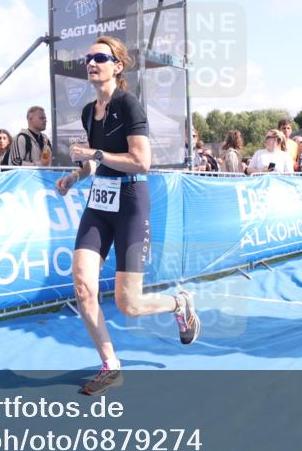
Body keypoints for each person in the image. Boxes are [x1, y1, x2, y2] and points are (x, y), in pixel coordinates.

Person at [54, 36, 200, 396]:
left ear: (116, 66)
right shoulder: (89, 111)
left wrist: (96, 154)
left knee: (128, 304)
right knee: (83, 285)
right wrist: (75, 175)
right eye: (88, 57)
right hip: (100, 203)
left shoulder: (129, 104)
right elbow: (95, 161)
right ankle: (110, 364)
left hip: (132, 200)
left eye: (100, 57)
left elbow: (141, 161)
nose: (91, 62)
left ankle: (179, 304)